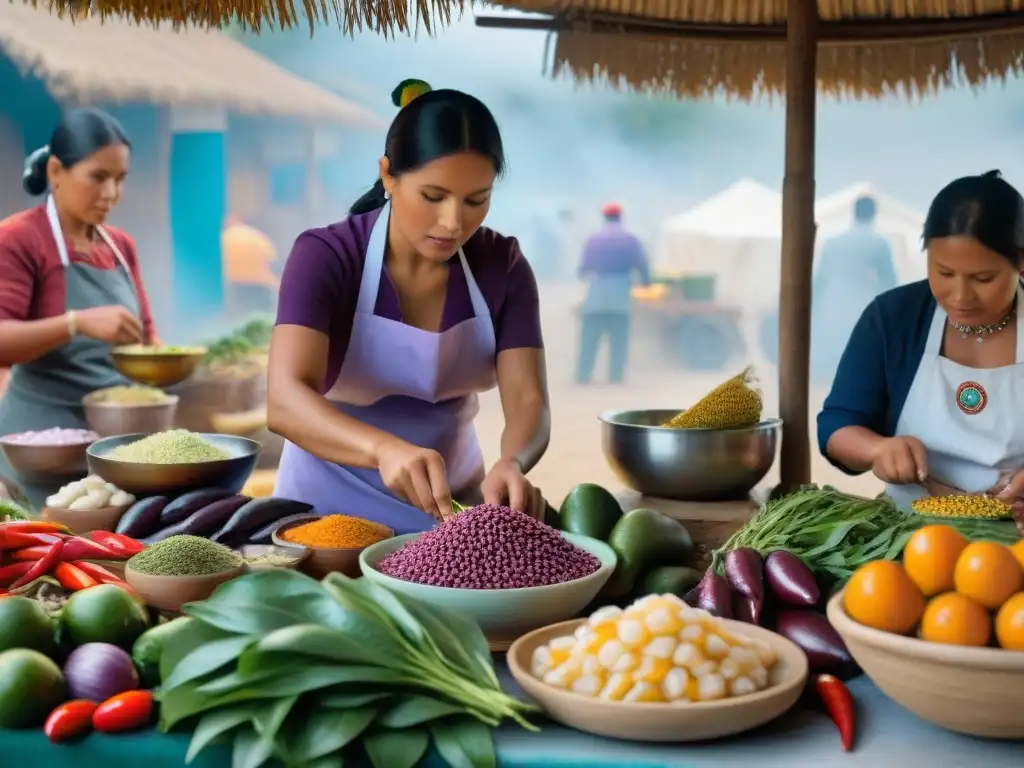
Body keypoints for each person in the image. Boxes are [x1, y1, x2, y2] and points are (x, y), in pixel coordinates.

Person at [267, 80, 550, 534]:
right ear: (388, 175)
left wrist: (513, 461)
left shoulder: (503, 266)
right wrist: (382, 449)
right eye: (433, 197)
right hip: (323, 516)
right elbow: (284, 401)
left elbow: (528, 398)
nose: (453, 222)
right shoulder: (327, 256)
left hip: (449, 516)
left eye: (476, 200)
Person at [818, 171, 1024, 513]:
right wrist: (877, 449)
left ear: (1020, 262)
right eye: (943, 272)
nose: (960, 296)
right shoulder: (893, 317)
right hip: (912, 539)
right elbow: (837, 423)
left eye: (983, 278)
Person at [0, 108, 156, 506]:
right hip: (42, 452)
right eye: (99, 177)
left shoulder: (120, 246)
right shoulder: (20, 238)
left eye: (120, 179)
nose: (111, 193)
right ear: (56, 171)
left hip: (114, 452)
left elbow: (147, 337)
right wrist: (76, 322)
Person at [811, 195, 898, 384]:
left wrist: (816, 305)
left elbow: (821, 278)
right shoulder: (878, 242)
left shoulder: (833, 242)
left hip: (832, 303)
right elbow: (888, 280)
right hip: (862, 303)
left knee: (835, 356)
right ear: (874, 214)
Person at [576, 202, 650, 384]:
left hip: (595, 300)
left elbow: (582, 270)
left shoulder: (593, 240)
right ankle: (615, 377)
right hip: (620, 300)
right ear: (620, 217)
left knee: (589, 342)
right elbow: (643, 268)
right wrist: (646, 284)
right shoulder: (631, 240)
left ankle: (583, 376)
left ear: (604, 217)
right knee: (618, 343)